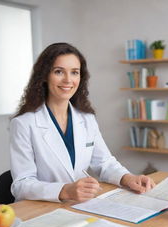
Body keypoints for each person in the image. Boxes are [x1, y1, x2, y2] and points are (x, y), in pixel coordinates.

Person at [10, 42, 155, 203]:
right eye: (59, 72)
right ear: (44, 75)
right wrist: (64, 190)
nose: (68, 80)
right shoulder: (24, 124)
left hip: (78, 206)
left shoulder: (86, 119)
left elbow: (104, 162)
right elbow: (21, 184)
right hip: (40, 209)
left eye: (74, 72)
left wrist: (128, 178)